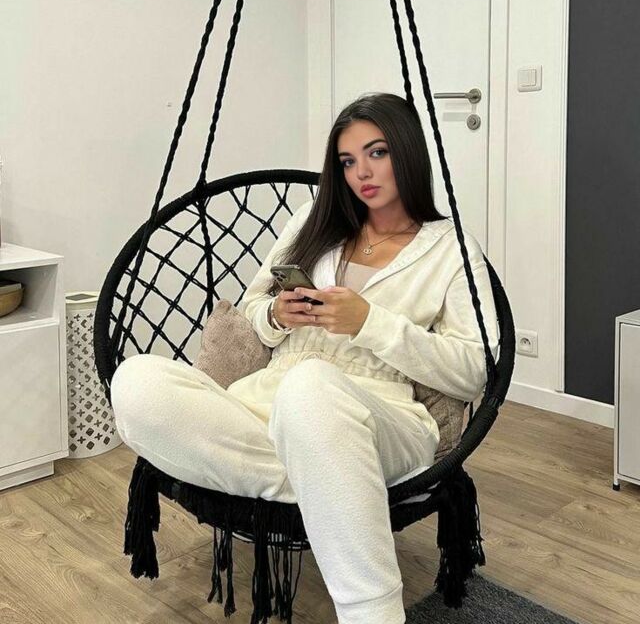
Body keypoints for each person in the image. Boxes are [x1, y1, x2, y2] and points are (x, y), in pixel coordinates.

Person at [111, 92, 499, 624]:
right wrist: (277, 314)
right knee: (136, 381)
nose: (362, 173)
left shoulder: (451, 248)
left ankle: (372, 611)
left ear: (408, 152)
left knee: (312, 387)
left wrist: (371, 323)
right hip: (264, 405)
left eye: (377, 153)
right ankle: (326, 485)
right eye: (347, 161)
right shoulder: (312, 222)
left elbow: (474, 369)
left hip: (378, 415)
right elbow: (252, 307)